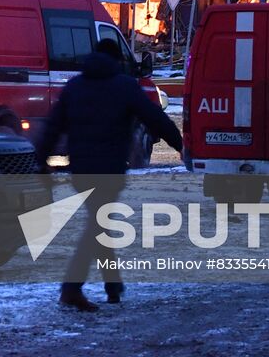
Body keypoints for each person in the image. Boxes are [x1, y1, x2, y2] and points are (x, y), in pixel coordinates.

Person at [35, 39, 183, 312]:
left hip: (80, 167)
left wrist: (39, 160)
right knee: (96, 227)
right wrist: (182, 144)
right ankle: (72, 288)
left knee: (98, 223)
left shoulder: (75, 86)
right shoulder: (124, 85)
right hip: (110, 168)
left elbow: (54, 125)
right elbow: (154, 117)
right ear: (116, 60)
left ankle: (112, 285)